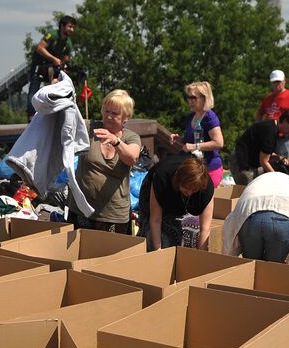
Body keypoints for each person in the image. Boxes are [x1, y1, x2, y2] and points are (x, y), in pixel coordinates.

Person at [69, 89, 141, 232]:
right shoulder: (89, 127)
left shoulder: (131, 137)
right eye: (106, 111)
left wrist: (115, 141)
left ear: (125, 118)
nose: (108, 116)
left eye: (114, 113)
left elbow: (132, 158)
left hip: (114, 215)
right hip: (81, 210)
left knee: (111, 254)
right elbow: (67, 118)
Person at [223, 171, 289, 265]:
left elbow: (234, 218)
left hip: (249, 216)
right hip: (283, 219)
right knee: (273, 272)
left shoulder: (257, 182)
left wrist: (227, 257)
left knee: (250, 268)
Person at [139, 154, 214, 251]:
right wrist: (158, 251)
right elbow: (155, 219)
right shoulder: (162, 178)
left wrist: (200, 257)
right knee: (158, 233)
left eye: (194, 190)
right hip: (156, 188)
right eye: (187, 189)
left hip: (180, 194)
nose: (190, 192)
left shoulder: (206, 187)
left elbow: (205, 228)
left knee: (193, 229)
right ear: (178, 180)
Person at [170, 81, 225, 188]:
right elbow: (190, 141)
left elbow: (219, 143)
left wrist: (195, 146)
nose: (190, 101)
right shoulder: (191, 116)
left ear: (204, 98)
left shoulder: (210, 117)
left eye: (193, 98)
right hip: (195, 169)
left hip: (210, 169)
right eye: (188, 97)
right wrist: (178, 138)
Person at [229, 110, 289, 185]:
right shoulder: (270, 133)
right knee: (249, 191)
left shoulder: (271, 127)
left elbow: (265, 151)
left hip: (247, 162)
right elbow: (264, 161)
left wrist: (278, 157)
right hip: (241, 162)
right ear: (285, 121)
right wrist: (277, 179)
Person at [26, 15, 76, 117]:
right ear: (62, 26)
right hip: (39, 66)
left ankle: (54, 111)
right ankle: (31, 115)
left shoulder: (68, 43)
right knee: (34, 88)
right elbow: (40, 48)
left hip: (52, 68)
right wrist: (54, 59)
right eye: (70, 26)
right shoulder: (52, 35)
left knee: (59, 84)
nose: (72, 30)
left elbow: (66, 59)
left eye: (73, 27)